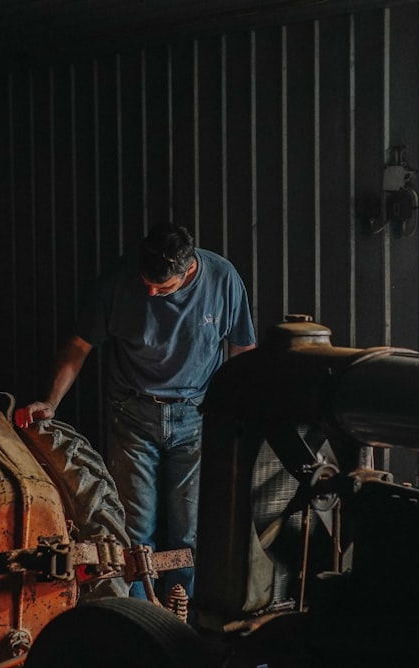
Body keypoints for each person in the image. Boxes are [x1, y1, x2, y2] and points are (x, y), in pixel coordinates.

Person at [14, 223, 256, 600]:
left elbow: (243, 354)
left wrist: (241, 418)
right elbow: (78, 347)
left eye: (162, 288)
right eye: (146, 283)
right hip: (132, 415)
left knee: (187, 531)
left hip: (196, 417)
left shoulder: (223, 279)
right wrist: (50, 402)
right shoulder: (116, 281)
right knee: (132, 529)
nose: (151, 292)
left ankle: (179, 617)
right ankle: (138, 620)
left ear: (189, 269)